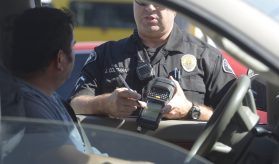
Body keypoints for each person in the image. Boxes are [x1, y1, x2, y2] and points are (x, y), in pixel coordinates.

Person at [8, 7, 151, 164]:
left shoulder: (44, 97)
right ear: (60, 59)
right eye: (73, 46)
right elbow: (67, 158)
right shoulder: (29, 106)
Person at [70, 0, 236, 121]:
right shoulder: (106, 54)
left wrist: (190, 110)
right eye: (142, 1)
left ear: (176, 7)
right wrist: (106, 104)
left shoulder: (206, 57)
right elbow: (74, 105)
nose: (149, 7)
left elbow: (236, 120)